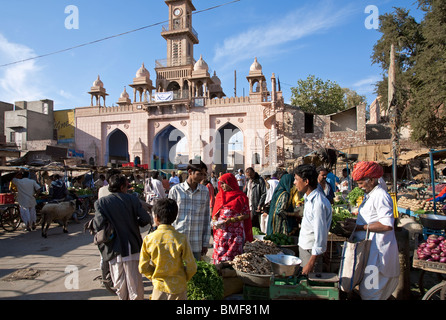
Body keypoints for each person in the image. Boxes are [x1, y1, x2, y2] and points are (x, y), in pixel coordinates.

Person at [344, 161, 400, 300]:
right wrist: (353, 223)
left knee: (370, 293)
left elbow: (387, 225)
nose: (360, 186)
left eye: (361, 183)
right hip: (370, 252)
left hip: (378, 254)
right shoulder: (371, 195)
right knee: (367, 291)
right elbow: (369, 219)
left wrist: (359, 227)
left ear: (372, 180)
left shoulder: (381, 196)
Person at [93, 174, 151, 300]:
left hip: (114, 248)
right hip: (132, 246)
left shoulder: (101, 202)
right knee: (135, 283)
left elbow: (98, 225)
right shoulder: (132, 199)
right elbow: (146, 218)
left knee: (119, 284)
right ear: (122, 187)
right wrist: (136, 223)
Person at [139, 198, 197, 300]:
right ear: (175, 217)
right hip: (179, 288)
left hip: (159, 288)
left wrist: (154, 276)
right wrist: (183, 277)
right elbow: (192, 266)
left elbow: (143, 267)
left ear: (156, 218)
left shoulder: (149, 239)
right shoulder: (181, 238)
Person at [169, 160, 211, 261]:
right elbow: (168, 217)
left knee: (195, 274)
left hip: (196, 243)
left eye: (204, 174)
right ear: (190, 172)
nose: (202, 177)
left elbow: (206, 218)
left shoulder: (204, 191)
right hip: (177, 241)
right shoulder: (175, 190)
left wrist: (205, 243)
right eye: (199, 174)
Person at [294, 164, 332, 275]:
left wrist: (311, 263)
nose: (294, 183)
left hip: (311, 252)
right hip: (305, 248)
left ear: (306, 181)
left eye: (297, 180)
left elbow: (320, 234)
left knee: (310, 283)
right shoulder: (308, 198)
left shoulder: (318, 203)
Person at [211, 173, 253, 264]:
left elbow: (246, 215)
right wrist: (214, 221)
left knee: (234, 258)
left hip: (235, 234)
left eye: (223, 183)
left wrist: (232, 220)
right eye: (220, 184)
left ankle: (233, 275)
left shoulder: (241, 197)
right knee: (220, 255)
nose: (222, 186)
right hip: (221, 233)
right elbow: (215, 212)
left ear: (230, 183)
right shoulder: (219, 196)